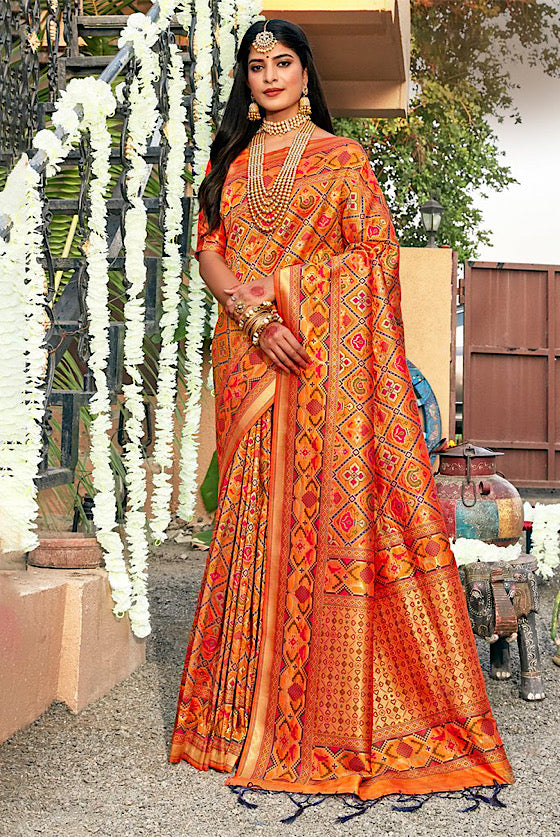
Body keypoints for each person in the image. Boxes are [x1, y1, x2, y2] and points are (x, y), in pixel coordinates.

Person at [169, 18, 514, 806]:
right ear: (246, 82)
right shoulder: (231, 159)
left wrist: (294, 302)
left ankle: (313, 712)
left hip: (322, 365)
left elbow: (372, 259)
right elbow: (210, 245)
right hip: (251, 359)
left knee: (319, 524)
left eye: (282, 63)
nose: (269, 76)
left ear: (303, 72)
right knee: (253, 517)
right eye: (256, 66)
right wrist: (258, 318)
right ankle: (230, 719)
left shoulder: (342, 159)